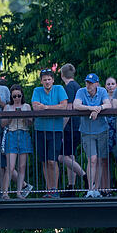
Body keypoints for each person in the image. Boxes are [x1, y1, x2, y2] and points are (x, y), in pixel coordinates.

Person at [31, 67, 76, 195]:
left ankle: (54, 189)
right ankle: (48, 189)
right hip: (40, 129)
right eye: (44, 80)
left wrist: (46, 107)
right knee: (44, 161)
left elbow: (63, 106)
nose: (47, 82)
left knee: (52, 160)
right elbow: (35, 107)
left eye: (49, 79)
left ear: (53, 80)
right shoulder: (37, 90)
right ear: (41, 81)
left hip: (55, 130)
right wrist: (53, 108)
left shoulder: (59, 89)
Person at [73, 73, 112, 198]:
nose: (88, 85)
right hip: (87, 131)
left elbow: (108, 104)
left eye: (91, 83)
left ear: (97, 84)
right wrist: (92, 108)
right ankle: (90, 189)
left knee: (100, 159)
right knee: (92, 159)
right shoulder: (81, 91)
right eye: (87, 82)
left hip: (102, 130)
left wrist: (98, 108)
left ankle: (97, 189)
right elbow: (76, 105)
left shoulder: (102, 91)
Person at [1, 84, 33, 198]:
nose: (17, 98)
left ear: (22, 95)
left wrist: (24, 116)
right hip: (12, 134)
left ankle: (19, 192)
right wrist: (11, 116)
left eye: (19, 95)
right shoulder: (7, 107)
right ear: (11, 97)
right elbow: (2, 124)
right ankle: (5, 192)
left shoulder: (27, 106)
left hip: (24, 134)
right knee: (10, 166)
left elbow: (30, 122)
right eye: (14, 96)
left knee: (22, 166)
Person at [59, 63, 83, 187]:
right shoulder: (77, 86)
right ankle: (71, 185)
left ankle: (84, 176)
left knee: (61, 156)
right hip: (77, 125)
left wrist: (61, 127)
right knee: (70, 155)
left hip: (70, 126)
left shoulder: (68, 87)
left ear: (62, 75)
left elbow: (68, 109)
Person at [101, 76, 117, 192]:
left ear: (116, 85)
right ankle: (105, 189)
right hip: (105, 131)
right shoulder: (103, 97)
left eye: (112, 84)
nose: (111, 86)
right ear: (105, 86)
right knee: (104, 161)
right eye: (108, 84)